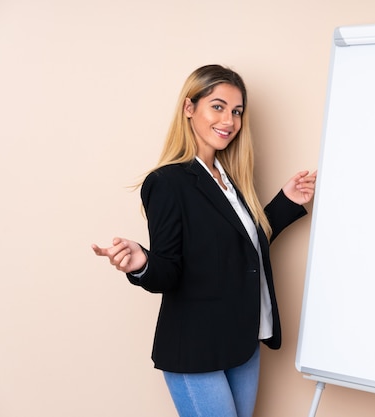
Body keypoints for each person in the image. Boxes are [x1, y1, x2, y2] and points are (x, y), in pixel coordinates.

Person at [92, 64, 316, 417]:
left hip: (242, 340)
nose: (229, 120)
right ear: (189, 108)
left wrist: (286, 203)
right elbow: (168, 271)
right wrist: (142, 263)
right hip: (195, 347)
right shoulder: (167, 183)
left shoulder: (230, 180)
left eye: (237, 111)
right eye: (218, 106)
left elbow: (241, 249)